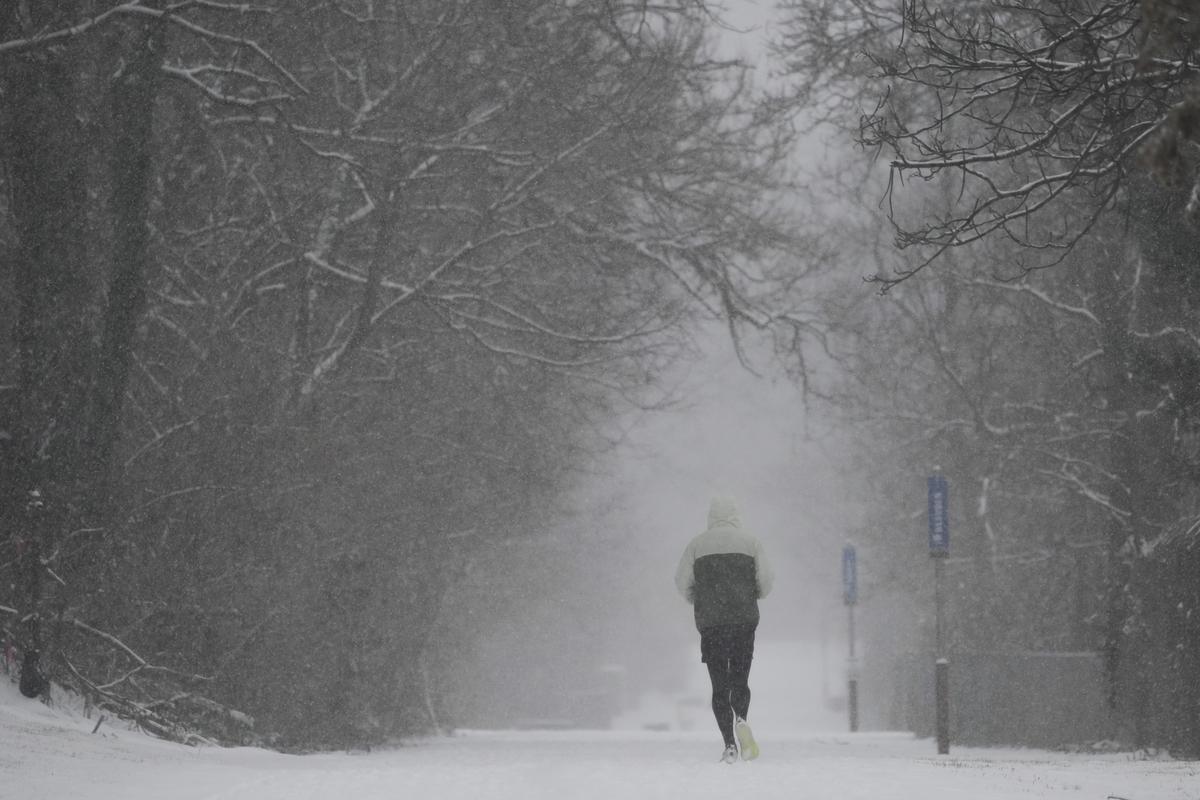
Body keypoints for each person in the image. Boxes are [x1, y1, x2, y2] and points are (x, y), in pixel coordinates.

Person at [675, 495, 774, 763]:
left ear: (711, 516)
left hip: (712, 624)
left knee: (719, 685)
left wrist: (697, 598)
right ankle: (741, 718)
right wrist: (755, 593)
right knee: (740, 679)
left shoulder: (696, 545)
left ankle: (729, 744)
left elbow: (681, 581)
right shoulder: (751, 543)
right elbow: (766, 580)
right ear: (736, 515)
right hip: (743, 621)